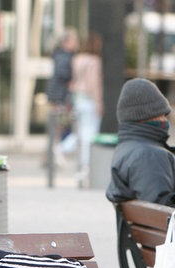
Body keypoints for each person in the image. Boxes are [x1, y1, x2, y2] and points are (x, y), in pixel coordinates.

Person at [106, 77, 175, 206]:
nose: (165, 121)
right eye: (162, 115)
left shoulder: (127, 149)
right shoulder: (149, 155)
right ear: (149, 117)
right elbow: (162, 207)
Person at [62, 32, 104, 180]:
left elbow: (74, 79)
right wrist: (99, 103)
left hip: (77, 98)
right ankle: (85, 166)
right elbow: (94, 84)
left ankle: (64, 149)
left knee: (81, 132)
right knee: (89, 134)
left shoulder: (77, 58)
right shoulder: (94, 61)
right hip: (89, 99)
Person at [46, 28, 79, 156]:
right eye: (73, 41)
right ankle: (53, 153)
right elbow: (63, 73)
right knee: (59, 125)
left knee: (59, 125)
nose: (75, 43)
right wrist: (72, 79)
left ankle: (52, 154)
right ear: (65, 42)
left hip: (60, 94)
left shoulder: (62, 55)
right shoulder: (63, 56)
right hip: (60, 95)